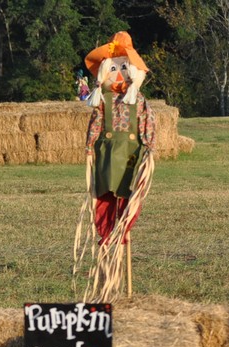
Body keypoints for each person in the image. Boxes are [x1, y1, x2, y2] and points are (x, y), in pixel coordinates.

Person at [82, 31, 155, 242]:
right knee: (105, 193)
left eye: (124, 68)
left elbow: (147, 123)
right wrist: (89, 149)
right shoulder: (103, 100)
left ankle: (123, 229)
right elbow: (95, 124)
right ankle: (106, 232)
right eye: (114, 68)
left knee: (128, 192)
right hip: (106, 154)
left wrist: (149, 148)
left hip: (131, 154)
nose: (120, 74)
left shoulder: (138, 100)